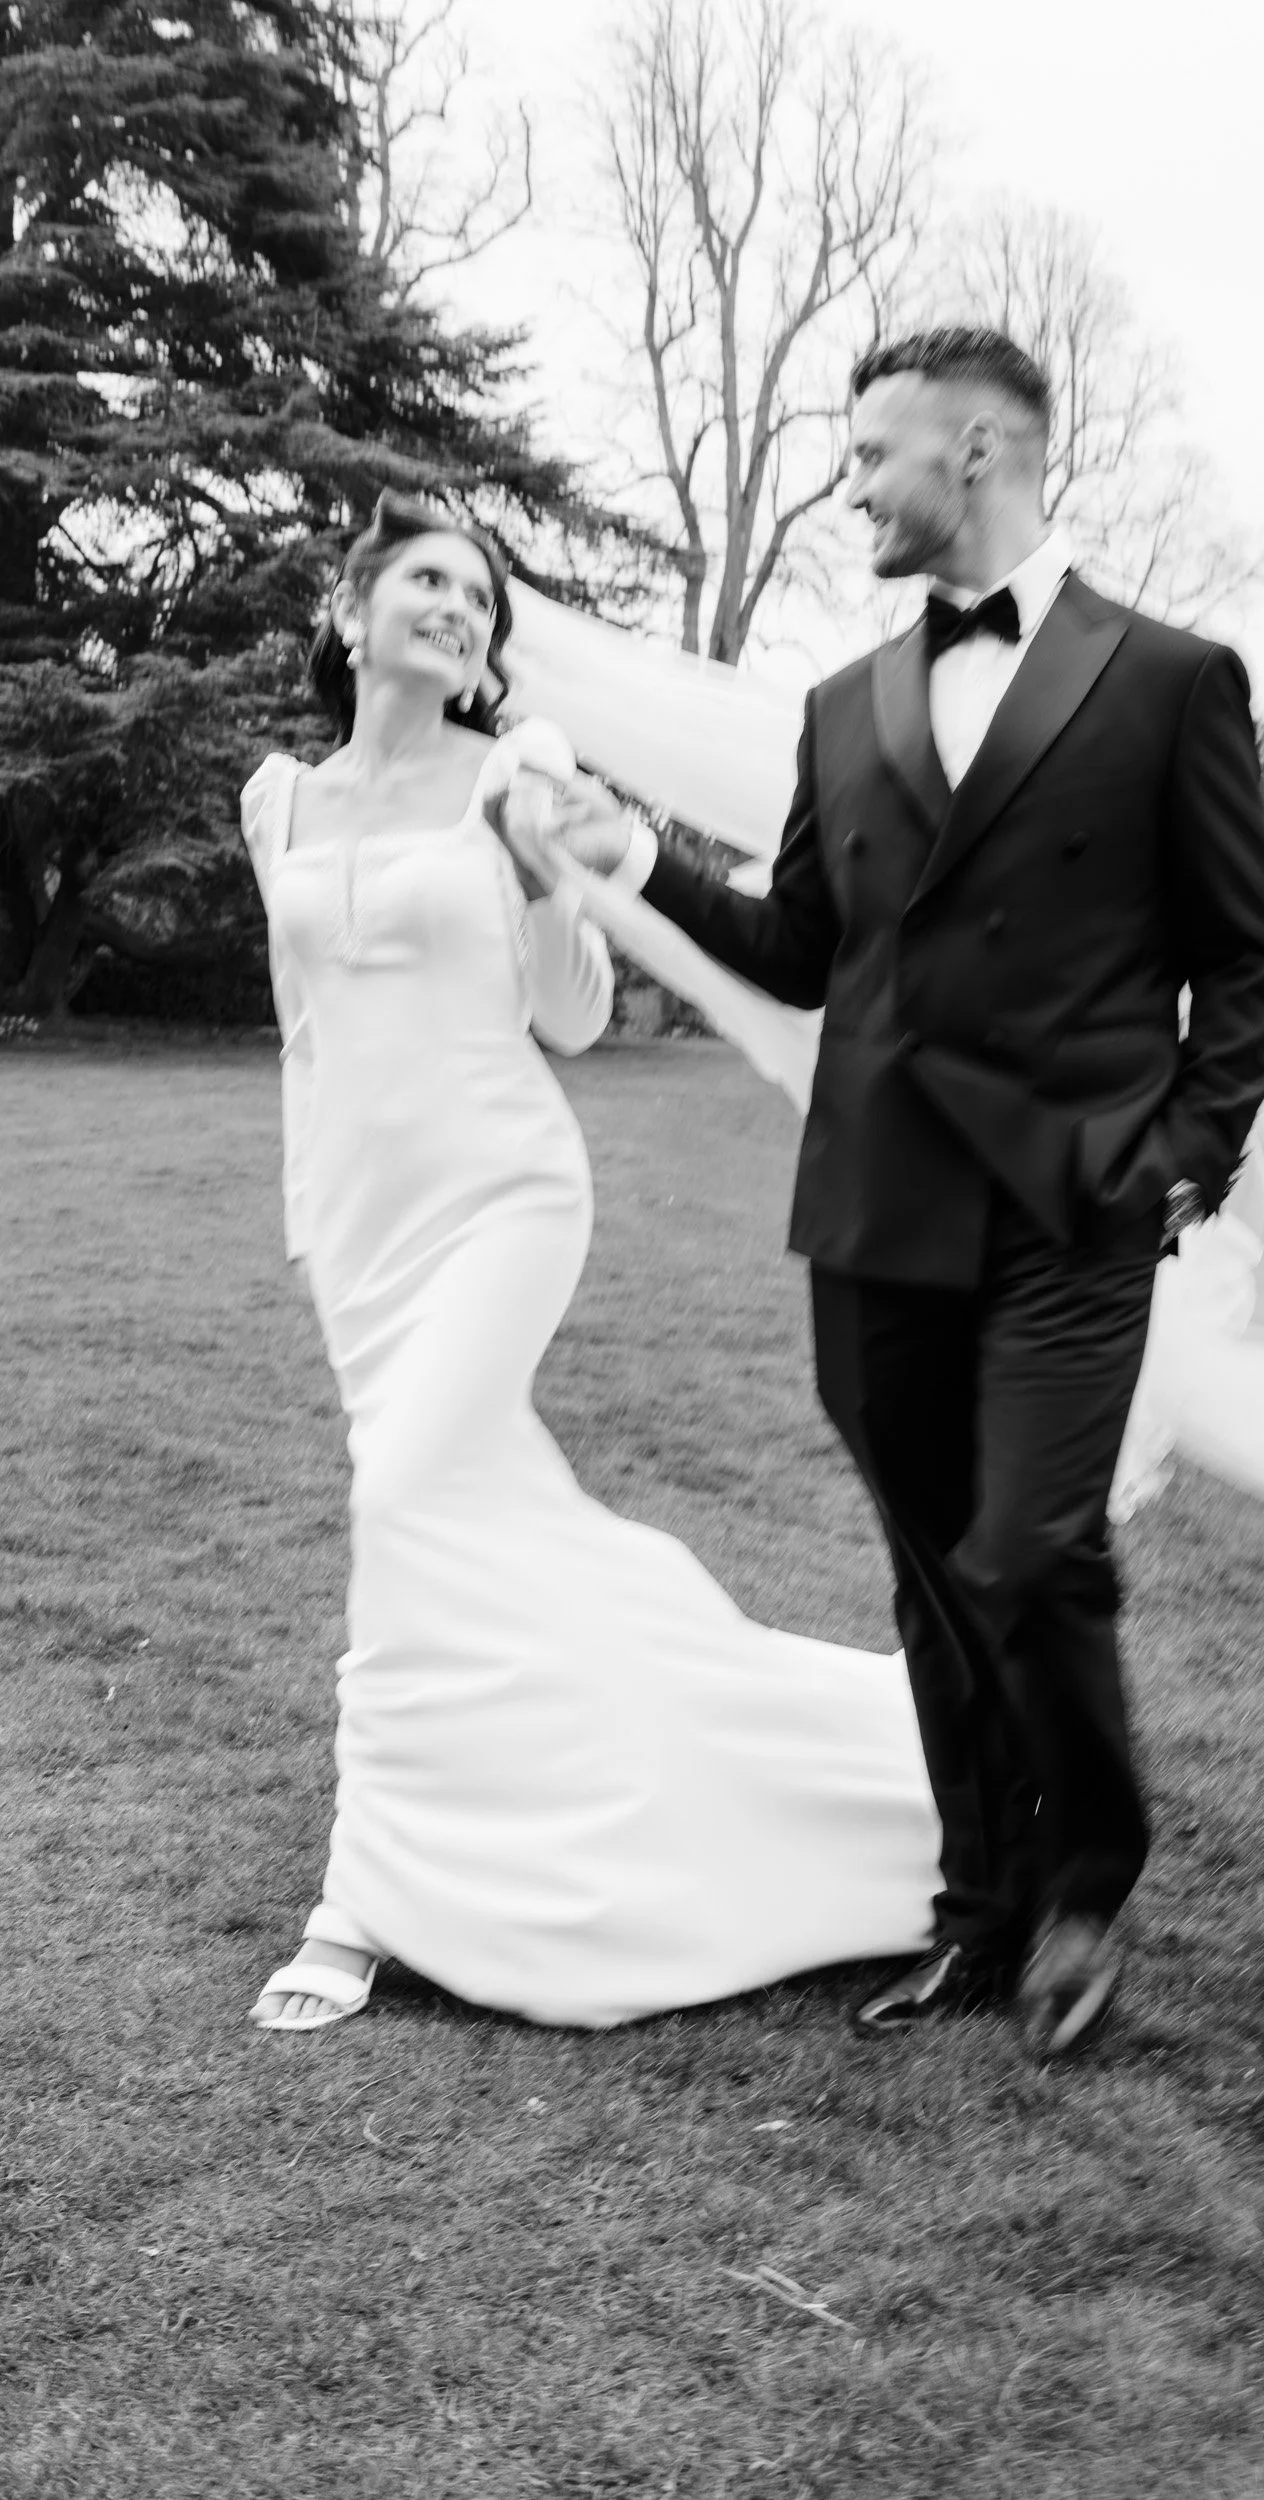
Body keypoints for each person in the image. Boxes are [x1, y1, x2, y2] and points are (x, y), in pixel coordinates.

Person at [557, 327, 1264, 2060]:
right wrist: (636, 856)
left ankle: (1088, 1880)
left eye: (870, 449)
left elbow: (1243, 967)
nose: (850, 481)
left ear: (977, 451)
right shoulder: (840, 705)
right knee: (927, 1578)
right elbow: (802, 952)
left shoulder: (1173, 680)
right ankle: (979, 1908)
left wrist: (1180, 1167)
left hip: (1072, 1206)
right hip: (873, 1204)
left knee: (1030, 1545)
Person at [243, 490, 941, 2035]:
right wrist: (315, 1213)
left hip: (503, 1195)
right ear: (348, 615)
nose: (458, 611)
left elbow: (571, 1020)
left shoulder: (520, 773)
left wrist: (552, 878)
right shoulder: (273, 798)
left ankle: (361, 1894)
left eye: (480, 600)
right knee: (467, 1519)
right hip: (358, 1225)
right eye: (426, 582)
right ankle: (839, 1754)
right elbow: (307, 1029)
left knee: (403, 1495)